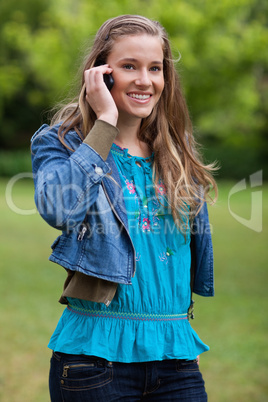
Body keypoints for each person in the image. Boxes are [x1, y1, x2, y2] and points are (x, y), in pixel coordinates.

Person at [31, 14, 217, 401]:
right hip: (94, 362)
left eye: (155, 68)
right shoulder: (61, 143)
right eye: (129, 66)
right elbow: (59, 209)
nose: (144, 80)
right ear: (100, 73)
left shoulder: (176, 150)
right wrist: (105, 123)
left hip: (176, 357)